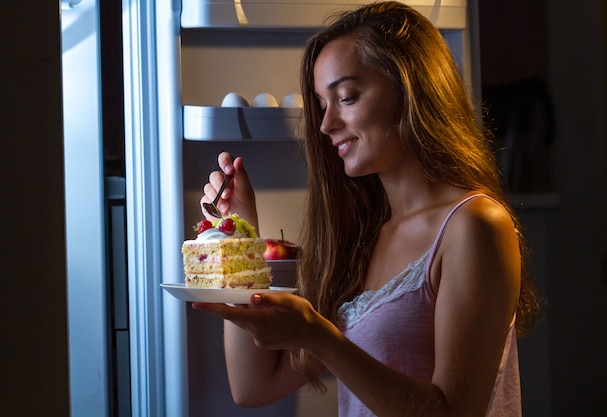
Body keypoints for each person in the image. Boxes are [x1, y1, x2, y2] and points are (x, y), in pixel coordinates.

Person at [194, 2, 539, 416]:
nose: (325, 125)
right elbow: (253, 386)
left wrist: (322, 338)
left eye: (346, 97)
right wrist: (240, 235)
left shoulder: (474, 225)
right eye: (323, 105)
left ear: (410, 90)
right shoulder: (364, 238)